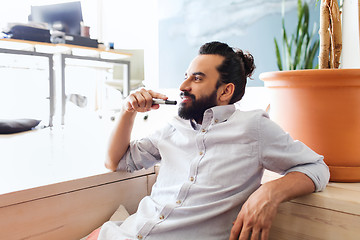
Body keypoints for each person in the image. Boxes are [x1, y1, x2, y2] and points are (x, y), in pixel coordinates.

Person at [98, 41, 329, 240]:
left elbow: (316, 167)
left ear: (225, 91)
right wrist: (127, 110)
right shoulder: (172, 127)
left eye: (196, 79)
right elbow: (115, 161)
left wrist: (269, 193)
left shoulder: (253, 127)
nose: (183, 86)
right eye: (186, 77)